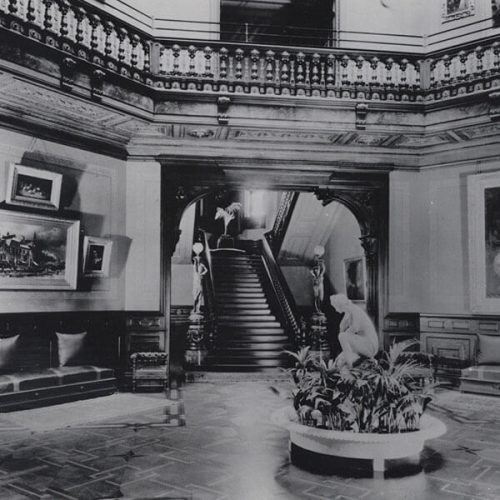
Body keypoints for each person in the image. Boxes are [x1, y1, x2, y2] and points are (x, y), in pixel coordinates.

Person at [330, 293, 379, 368]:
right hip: (363, 343)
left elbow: (355, 328)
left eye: (335, 307)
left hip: (370, 345)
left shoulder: (355, 309)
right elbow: (341, 328)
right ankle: (351, 360)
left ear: (340, 305)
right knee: (340, 359)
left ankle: (351, 364)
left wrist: (345, 337)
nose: (336, 310)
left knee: (342, 337)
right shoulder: (348, 312)